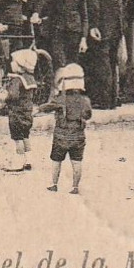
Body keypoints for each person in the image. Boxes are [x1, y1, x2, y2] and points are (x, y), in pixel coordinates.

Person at [78, 0, 126, 110]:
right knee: (112, 60)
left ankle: (103, 100)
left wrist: (93, 25)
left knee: (100, 61)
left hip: (101, 23)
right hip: (116, 21)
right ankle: (112, 98)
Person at [43, 63, 92, 195]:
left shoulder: (60, 99)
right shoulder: (85, 100)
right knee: (77, 162)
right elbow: (88, 115)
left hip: (61, 135)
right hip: (79, 136)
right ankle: (75, 187)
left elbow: (48, 107)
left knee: (56, 161)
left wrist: (40, 109)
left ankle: (54, 184)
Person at [0, 47, 39, 173]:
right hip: (27, 114)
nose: (11, 64)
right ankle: (28, 161)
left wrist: (3, 96)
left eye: (14, 62)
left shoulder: (17, 80)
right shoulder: (30, 79)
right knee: (25, 137)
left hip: (17, 114)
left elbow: (13, 95)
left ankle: (18, 163)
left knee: (17, 139)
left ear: (21, 66)